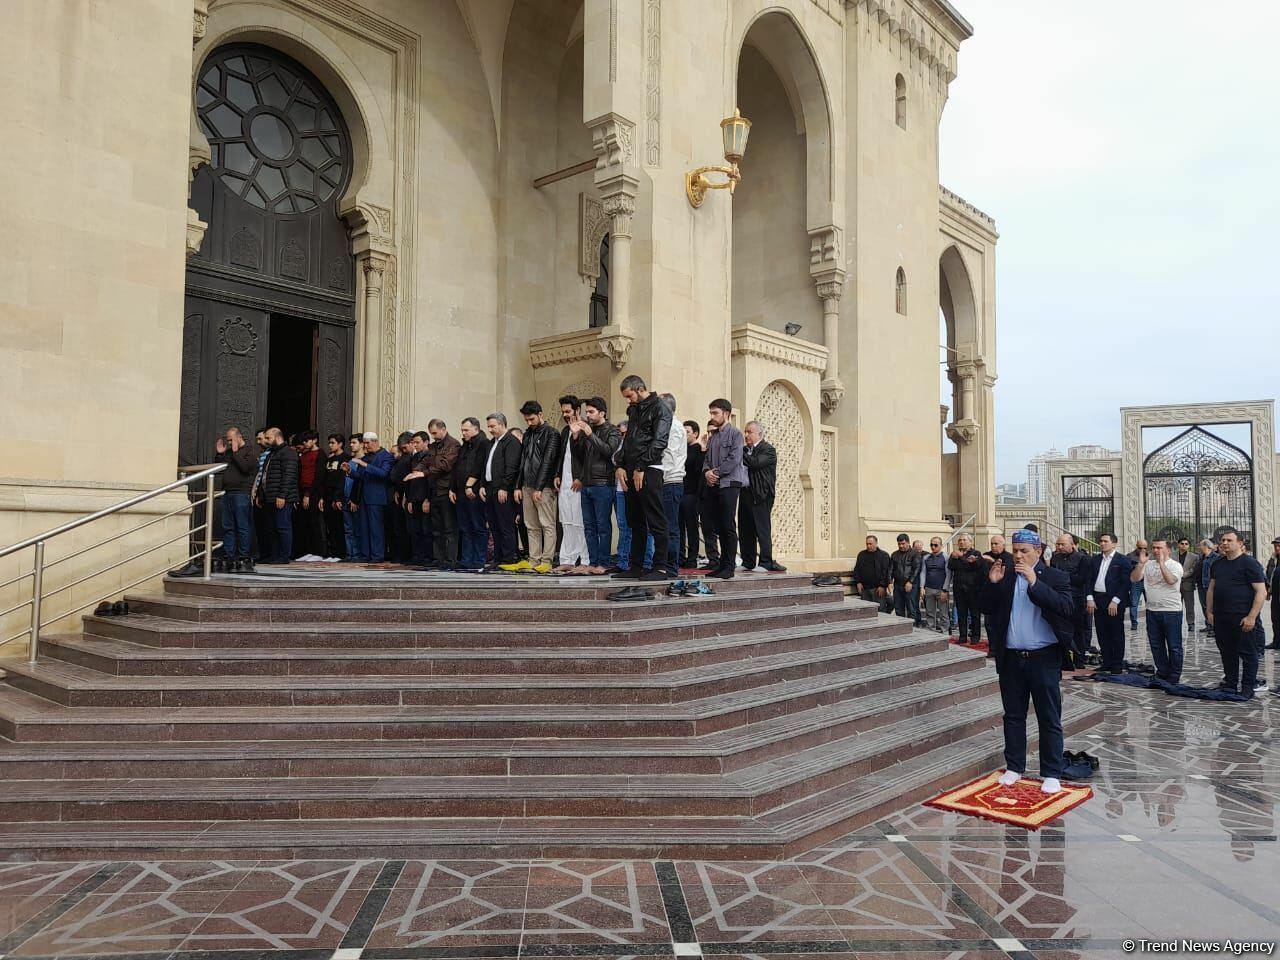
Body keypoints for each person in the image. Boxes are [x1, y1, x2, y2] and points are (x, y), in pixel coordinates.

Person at [978, 528, 1075, 795]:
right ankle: (1014, 767)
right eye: (1015, 551)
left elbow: (1066, 608)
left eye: (1024, 551)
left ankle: (1051, 772)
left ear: (1038, 552)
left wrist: (1035, 582)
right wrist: (992, 583)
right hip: (1012, 658)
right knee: (1013, 715)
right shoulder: (1006, 576)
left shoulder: (1055, 576)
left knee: (1049, 716)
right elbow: (985, 607)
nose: (1018, 556)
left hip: (1044, 658)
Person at [614, 375, 672, 581]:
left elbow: (660, 441)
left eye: (629, 396)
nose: (628, 400)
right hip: (631, 469)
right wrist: (620, 464)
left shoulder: (660, 407)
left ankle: (661, 568)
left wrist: (641, 466)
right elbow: (628, 440)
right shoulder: (634, 409)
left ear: (640, 389)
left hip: (650, 469)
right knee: (635, 520)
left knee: (655, 520)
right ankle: (636, 567)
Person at [1206, 527, 1267, 696]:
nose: (1225, 543)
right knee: (1227, 652)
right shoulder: (1217, 563)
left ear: (1240, 543)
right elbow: (1211, 588)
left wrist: (1252, 617)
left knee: (1248, 653)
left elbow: (1261, 591)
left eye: (1229, 540)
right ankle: (1230, 684)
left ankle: (1248, 687)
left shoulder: (1250, 563)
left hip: (1242, 618)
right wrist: (1209, 612)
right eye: (1223, 541)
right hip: (1221, 617)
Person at [513, 400, 560, 574]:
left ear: (540, 414)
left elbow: (548, 461)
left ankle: (547, 560)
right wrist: (518, 486)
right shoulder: (527, 434)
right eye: (526, 420)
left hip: (543, 486)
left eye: (532, 419)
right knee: (531, 525)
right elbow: (522, 461)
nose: (529, 422)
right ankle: (534, 559)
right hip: (527, 485)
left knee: (547, 523)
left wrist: (539, 487)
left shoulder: (552, 433)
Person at [700, 398, 745, 580]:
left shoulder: (736, 434)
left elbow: (734, 459)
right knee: (718, 525)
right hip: (714, 485)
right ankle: (721, 565)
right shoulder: (714, 437)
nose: (712, 416)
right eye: (711, 413)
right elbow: (706, 460)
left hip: (729, 484)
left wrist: (715, 473)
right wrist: (707, 473)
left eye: (715, 413)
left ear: (726, 413)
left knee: (727, 525)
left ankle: (729, 566)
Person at [574, 397, 619, 574]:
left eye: (591, 412)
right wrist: (575, 437)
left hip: (603, 484)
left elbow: (608, 451)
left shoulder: (612, 430)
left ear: (602, 413)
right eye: (587, 412)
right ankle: (592, 562)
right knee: (589, 526)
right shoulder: (587, 431)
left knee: (603, 526)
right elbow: (579, 456)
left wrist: (589, 434)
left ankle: (604, 563)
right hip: (586, 484)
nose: (588, 415)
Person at [1132, 539, 1185, 683]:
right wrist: (1141, 564)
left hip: (1171, 611)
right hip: (1152, 610)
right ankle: (1162, 672)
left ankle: (1174, 675)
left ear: (1168, 550)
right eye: (1154, 548)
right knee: (1156, 645)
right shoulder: (1148, 564)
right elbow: (1134, 578)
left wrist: (1162, 564)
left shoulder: (1175, 565)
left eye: (1159, 548)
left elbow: (1171, 580)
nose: (1156, 551)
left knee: (1174, 646)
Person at [1085, 533, 1133, 675]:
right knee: (1102, 632)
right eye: (1101, 541)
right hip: (1098, 600)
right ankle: (1106, 662)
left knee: (1116, 633)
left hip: (1114, 601)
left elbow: (1126, 583)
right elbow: (1089, 580)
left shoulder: (1122, 560)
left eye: (1105, 541)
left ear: (1114, 544)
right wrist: (1089, 598)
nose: (1102, 543)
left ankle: (1116, 665)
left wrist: (1116, 600)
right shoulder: (1095, 559)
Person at [740, 421, 785, 573]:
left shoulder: (768, 449)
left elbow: (755, 463)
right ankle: (748, 561)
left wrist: (738, 451)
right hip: (745, 492)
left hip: (761, 494)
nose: (746, 435)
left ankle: (765, 562)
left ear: (759, 434)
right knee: (745, 529)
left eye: (750, 432)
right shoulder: (745, 450)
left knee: (762, 529)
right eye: (745, 432)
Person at [345, 431, 395, 562]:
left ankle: (377, 555)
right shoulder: (366, 457)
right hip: (364, 496)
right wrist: (350, 471)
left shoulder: (386, 456)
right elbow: (360, 476)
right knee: (364, 528)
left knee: (376, 528)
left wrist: (365, 465)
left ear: (375, 442)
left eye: (367, 443)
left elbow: (383, 473)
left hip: (377, 497)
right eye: (364, 443)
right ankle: (366, 555)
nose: (365, 446)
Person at [481, 413, 521, 569]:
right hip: (491, 488)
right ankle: (497, 558)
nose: (490, 430)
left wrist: (504, 487)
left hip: (503, 489)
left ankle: (509, 558)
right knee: (494, 525)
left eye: (493, 426)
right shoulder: (493, 442)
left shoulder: (511, 441)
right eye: (488, 427)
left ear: (502, 424)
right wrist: (483, 485)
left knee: (506, 525)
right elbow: (487, 465)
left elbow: (512, 467)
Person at [611, 421, 653, 572]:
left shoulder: (640, 444)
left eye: (625, 433)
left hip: (637, 487)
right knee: (624, 526)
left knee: (644, 526)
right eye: (620, 433)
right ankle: (623, 561)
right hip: (620, 490)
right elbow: (615, 459)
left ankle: (647, 562)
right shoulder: (621, 445)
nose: (622, 436)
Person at [214, 426, 257, 572]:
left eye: (231, 440)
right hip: (227, 492)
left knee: (242, 526)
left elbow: (245, 468)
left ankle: (243, 556)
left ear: (239, 437)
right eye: (228, 440)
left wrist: (235, 452)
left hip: (241, 493)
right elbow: (220, 466)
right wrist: (220, 454)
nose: (229, 443)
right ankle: (229, 555)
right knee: (228, 526)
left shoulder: (249, 451)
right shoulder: (230, 452)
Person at [554, 396, 589, 572]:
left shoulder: (585, 429)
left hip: (579, 483)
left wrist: (581, 477)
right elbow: (561, 456)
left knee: (580, 522)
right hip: (565, 482)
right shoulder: (564, 431)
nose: (565, 415)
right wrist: (557, 475)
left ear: (577, 410)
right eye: (563, 412)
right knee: (566, 521)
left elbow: (587, 457)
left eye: (568, 411)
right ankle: (567, 559)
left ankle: (584, 559)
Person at [451, 417, 490, 571]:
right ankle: (466, 559)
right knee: (465, 527)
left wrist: (471, 486)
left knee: (477, 526)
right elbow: (457, 468)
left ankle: (479, 559)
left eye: (466, 430)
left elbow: (480, 467)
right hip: (461, 492)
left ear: (476, 429)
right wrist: (452, 488)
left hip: (473, 492)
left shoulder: (483, 444)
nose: (463, 433)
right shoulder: (465, 446)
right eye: (462, 430)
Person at [257, 427, 299, 564]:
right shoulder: (272, 453)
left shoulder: (288, 453)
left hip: (282, 498)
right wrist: (260, 494)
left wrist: (282, 496)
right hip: (270, 497)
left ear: (278, 437)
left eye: (268, 438)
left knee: (283, 527)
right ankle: (273, 555)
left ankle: (284, 556)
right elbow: (264, 475)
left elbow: (289, 476)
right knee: (271, 528)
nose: (266, 441)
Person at [422, 419, 461, 568]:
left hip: (446, 489)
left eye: (434, 433)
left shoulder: (453, 444)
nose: (433, 436)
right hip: (434, 490)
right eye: (431, 433)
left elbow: (445, 466)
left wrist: (426, 470)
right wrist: (419, 470)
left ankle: (450, 560)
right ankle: (438, 558)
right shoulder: (433, 446)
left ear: (443, 429)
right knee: (436, 528)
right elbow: (425, 462)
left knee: (449, 527)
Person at [1051, 534, 1091, 669]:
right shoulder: (1055, 558)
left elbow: (1082, 579)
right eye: (1058, 544)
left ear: (1071, 544)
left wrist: (1062, 577)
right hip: (1058, 598)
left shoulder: (1082, 559)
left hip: (1076, 600)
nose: (1059, 547)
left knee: (1078, 631)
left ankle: (1079, 658)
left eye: (1062, 544)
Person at [657, 393, 686, 578]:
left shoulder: (674, 427)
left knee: (671, 528)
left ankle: (671, 566)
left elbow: (669, 456)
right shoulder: (666, 425)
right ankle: (662, 564)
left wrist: (657, 476)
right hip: (664, 482)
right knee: (664, 526)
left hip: (671, 481)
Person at [401, 431, 433, 566]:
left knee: (426, 529)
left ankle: (428, 557)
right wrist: (408, 498)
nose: (415, 445)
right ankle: (418, 556)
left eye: (417, 442)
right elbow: (411, 479)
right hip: (414, 497)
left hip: (424, 497)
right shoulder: (414, 457)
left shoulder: (430, 456)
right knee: (415, 529)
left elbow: (430, 480)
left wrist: (427, 499)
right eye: (413, 442)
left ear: (426, 442)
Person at [295, 430, 326, 559]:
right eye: (304, 441)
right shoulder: (304, 454)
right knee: (304, 523)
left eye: (307, 441)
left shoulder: (320, 454)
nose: (305, 444)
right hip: (302, 491)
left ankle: (318, 552)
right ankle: (307, 552)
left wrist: (308, 494)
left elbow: (319, 476)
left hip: (314, 492)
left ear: (315, 440)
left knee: (314, 522)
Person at [948, 534, 984, 643]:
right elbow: (951, 566)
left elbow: (972, 567)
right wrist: (953, 558)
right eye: (960, 540)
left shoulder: (976, 553)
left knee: (974, 615)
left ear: (970, 542)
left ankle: (975, 637)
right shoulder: (955, 553)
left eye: (964, 540)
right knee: (961, 614)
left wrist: (961, 557)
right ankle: (962, 636)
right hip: (959, 589)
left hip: (973, 589)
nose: (961, 542)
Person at [679, 420, 704, 569]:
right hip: (679, 491)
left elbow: (698, 470)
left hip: (692, 493)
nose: (684, 435)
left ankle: (692, 557)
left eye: (687, 432)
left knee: (691, 527)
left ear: (695, 434)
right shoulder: (680, 448)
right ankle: (679, 556)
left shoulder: (698, 449)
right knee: (678, 526)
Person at [320, 434, 349, 560]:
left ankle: (341, 553)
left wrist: (337, 497)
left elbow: (342, 480)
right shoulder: (329, 459)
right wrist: (322, 497)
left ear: (340, 444)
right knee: (329, 525)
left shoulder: (346, 458)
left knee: (338, 525)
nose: (330, 445)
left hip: (337, 496)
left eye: (333, 443)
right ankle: (333, 551)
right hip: (327, 495)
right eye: (329, 443)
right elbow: (325, 478)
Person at [852, 535, 892, 610]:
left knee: (880, 610)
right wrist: (858, 582)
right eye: (867, 544)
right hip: (865, 588)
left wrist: (882, 585)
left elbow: (886, 572)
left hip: (878, 589)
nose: (868, 546)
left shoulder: (883, 555)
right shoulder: (862, 554)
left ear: (876, 543)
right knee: (866, 610)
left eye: (870, 544)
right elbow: (857, 569)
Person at [921, 536, 951, 633]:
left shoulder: (946, 557)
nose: (933, 547)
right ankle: (930, 630)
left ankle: (944, 631)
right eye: (931, 545)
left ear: (941, 546)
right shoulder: (926, 558)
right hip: (929, 588)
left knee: (943, 613)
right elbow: (923, 572)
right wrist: (922, 587)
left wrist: (945, 589)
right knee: (929, 612)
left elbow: (948, 574)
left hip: (941, 589)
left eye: (935, 545)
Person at [890, 533, 923, 622]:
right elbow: (891, 569)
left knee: (912, 608)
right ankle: (901, 626)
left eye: (903, 543)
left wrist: (910, 581)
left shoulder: (915, 554)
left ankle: (914, 627)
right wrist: (890, 582)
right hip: (898, 585)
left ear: (908, 543)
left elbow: (916, 569)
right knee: (898, 608)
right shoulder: (894, 554)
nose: (901, 546)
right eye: (899, 544)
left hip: (911, 586)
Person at [343, 434, 364, 561]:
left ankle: (357, 554)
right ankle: (349, 554)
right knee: (348, 529)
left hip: (355, 499)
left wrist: (354, 499)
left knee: (357, 528)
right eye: (350, 442)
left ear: (362, 444)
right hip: (345, 497)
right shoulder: (350, 460)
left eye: (354, 442)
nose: (351, 445)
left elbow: (359, 482)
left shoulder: (364, 461)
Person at [1176, 536, 1200, 634]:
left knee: (1189, 605)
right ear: (1178, 545)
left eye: (1186, 544)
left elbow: (1193, 569)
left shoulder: (1194, 557)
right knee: (1177, 605)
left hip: (1188, 584)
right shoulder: (1172, 555)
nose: (1184, 545)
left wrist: (1181, 575)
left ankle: (1191, 623)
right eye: (1182, 543)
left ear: (1189, 546)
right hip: (1175, 584)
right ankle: (1177, 623)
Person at [1125, 539, 1149, 633]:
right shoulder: (1130, 556)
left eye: (1145, 548)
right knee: (1134, 604)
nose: (1143, 550)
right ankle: (1134, 623)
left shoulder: (1150, 555)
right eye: (1140, 548)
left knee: (1150, 603)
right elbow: (1127, 570)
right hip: (1136, 582)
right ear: (1136, 546)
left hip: (1148, 582)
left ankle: (1151, 623)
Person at [1198, 538, 1218, 637]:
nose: (1199, 547)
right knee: (1204, 606)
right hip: (1201, 584)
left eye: (1201, 545)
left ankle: (1214, 627)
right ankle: (1208, 625)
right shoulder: (1201, 557)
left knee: (1211, 606)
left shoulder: (1215, 557)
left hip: (1210, 585)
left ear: (1206, 546)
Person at [1265, 537, 1280, 650]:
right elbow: (1269, 574)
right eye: (1275, 546)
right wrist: (1268, 590)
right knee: (1275, 618)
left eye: (1279, 546)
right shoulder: (1273, 559)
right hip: (1275, 593)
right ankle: (1277, 642)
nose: (1277, 548)